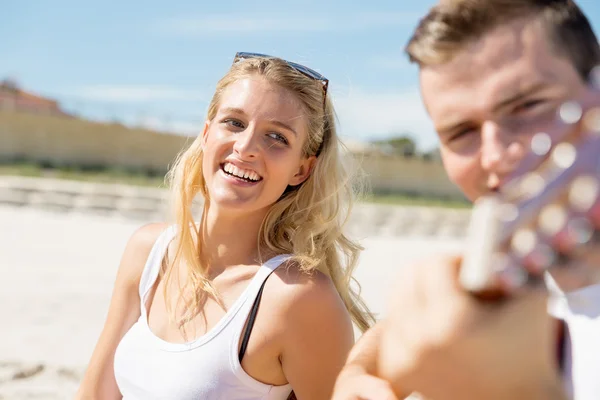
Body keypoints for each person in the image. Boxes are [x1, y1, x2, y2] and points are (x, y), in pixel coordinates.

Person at [331, 0, 600, 399]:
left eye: (527, 106)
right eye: (460, 132)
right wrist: (358, 371)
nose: (494, 154)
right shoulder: (515, 263)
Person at [75, 52, 375, 400]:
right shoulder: (149, 252)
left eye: (277, 137)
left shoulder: (297, 297)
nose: (246, 148)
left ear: (301, 170)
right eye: (234, 122)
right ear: (206, 133)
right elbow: (94, 394)